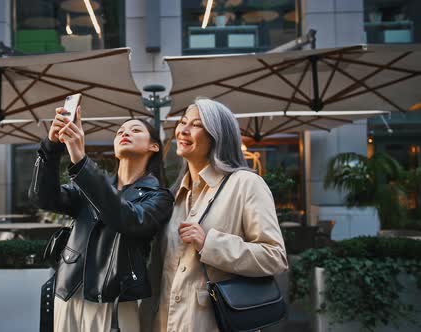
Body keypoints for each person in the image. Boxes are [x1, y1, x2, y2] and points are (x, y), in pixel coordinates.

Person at [143, 98, 288, 331]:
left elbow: (275, 257)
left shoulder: (245, 183)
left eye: (197, 124)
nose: (184, 130)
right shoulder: (175, 195)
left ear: (217, 135)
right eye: (182, 122)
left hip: (213, 323)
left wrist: (210, 243)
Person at [30, 106, 174, 332]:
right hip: (67, 294)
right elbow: (45, 198)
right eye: (119, 132)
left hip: (115, 301)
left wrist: (80, 160)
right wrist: (51, 148)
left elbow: (129, 220)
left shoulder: (158, 196)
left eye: (135, 130)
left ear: (153, 146)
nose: (124, 133)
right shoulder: (89, 185)